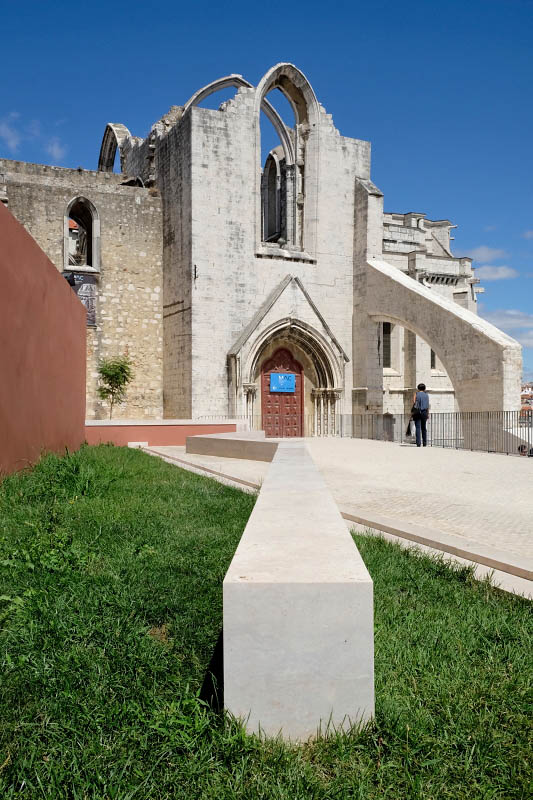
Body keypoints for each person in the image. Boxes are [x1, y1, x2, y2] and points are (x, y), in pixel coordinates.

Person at [412, 383, 430, 447]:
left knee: (418, 427)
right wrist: (427, 413)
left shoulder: (416, 394)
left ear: (418, 388)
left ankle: (418, 443)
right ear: (424, 388)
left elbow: (414, 403)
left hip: (417, 412)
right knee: (424, 428)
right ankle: (424, 443)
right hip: (424, 412)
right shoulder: (426, 395)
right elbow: (427, 405)